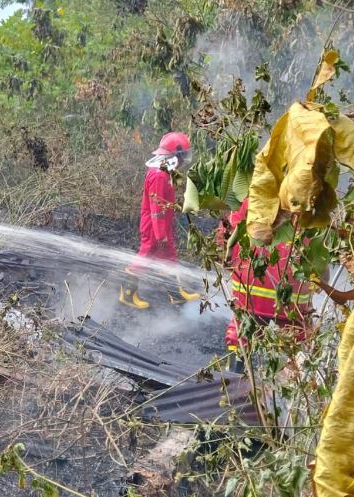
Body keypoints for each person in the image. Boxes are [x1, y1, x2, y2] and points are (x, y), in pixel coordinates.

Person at [217, 198, 313, 360]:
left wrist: (229, 261)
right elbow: (320, 256)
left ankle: (236, 378)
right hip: (290, 298)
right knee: (295, 344)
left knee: (242, 336)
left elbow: (224, 236)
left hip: (249, 291)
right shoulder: (309, 207)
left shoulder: (253, 198)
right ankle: (291, 379)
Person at [119, 131, 200, 309]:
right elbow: (156, 209)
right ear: (175, 155)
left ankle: (175, 294)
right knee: (146, 254)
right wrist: (160, 234)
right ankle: (127, 293)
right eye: (183, 155)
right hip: (154, 226)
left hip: (162, 223)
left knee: (169, 256)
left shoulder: (164, 170)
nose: (185, 159)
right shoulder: (159, 176)